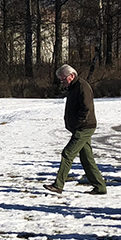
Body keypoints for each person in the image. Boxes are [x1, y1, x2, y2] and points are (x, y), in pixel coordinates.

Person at [44, 64, 106, 195]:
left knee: (67, 153)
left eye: (63, 79)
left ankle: (58, 185)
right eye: (60, 80)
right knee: (87, 158)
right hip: (80, 128)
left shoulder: (82, 86)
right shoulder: (73, 87)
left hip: (84, 128)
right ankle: (100, 187)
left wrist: (78, 123)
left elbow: (86, 108)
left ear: (71, 76)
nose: (62, 82)